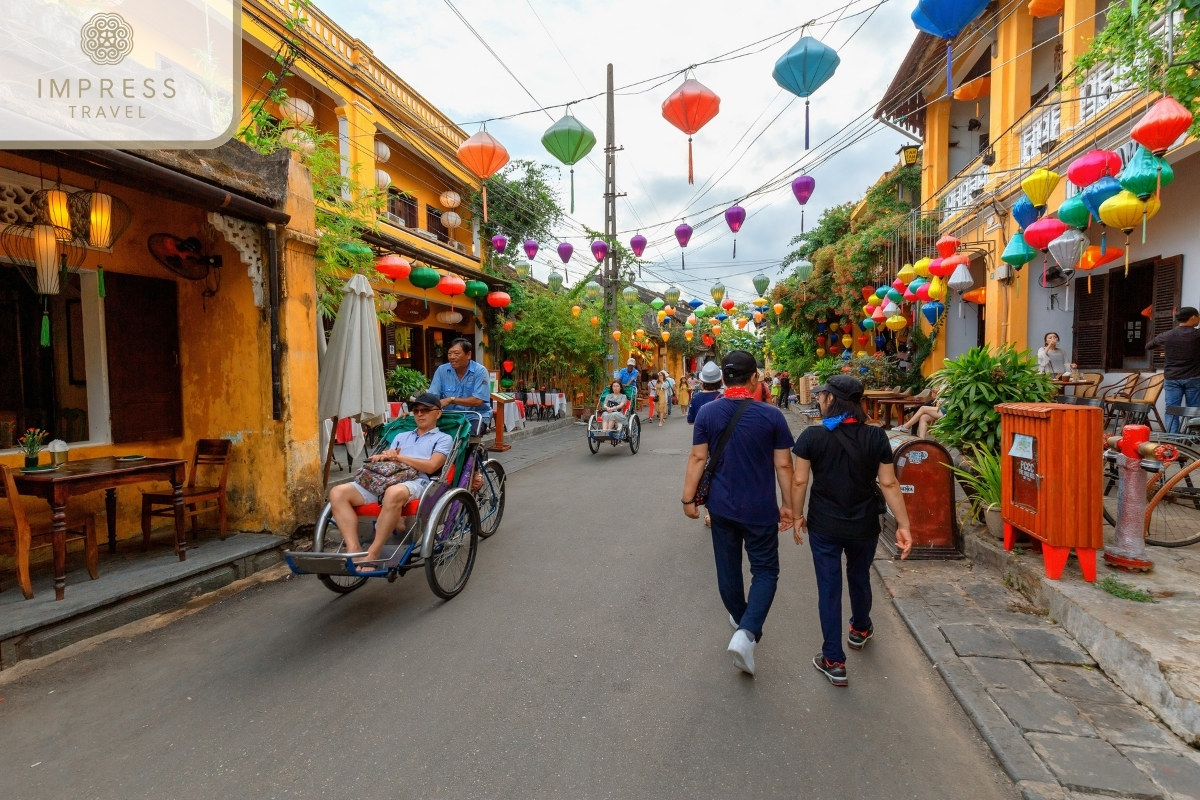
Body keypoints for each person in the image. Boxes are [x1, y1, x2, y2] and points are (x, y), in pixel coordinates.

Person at [790, 375, 912, 687]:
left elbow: (800, 481)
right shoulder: (876, 437)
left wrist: (797, 515)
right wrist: (904, 525)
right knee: (859, 575)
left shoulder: (811, 438)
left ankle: (833, 660)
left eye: (822, 395)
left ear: (832, 400)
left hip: (824, 525)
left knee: (829, 587)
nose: (818, 398)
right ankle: (860, 628)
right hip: (864, 524)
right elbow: (888, 483)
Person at [682, 350, 795, 677]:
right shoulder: (772, 416)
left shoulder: (708, 414)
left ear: (723, 379)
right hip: (760, 509)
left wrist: (687, 500)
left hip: (721, 507)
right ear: (755, 377)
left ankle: (742, 620)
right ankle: (747, 632)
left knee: (727, 567)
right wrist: (789, 505)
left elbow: (696, 459)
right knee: (765, 571)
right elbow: (783, 464)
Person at [327, 393, 453, 563]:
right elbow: (390, 461)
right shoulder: (401, 437)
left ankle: (374, 551)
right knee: (337, 492)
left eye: (425, 410)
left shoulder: (443, 438)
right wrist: (383, 456)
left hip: (417, 481)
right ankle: (354, 548)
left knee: (393, 493)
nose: (420, 414)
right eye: (416, 411)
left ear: (438, 413)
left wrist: (399, 457)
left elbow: (431, 466)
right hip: (387, 479)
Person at [1148, 307, 1200, 433]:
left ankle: (1173, 439)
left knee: (1171, 409)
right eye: (1198, 316)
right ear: (1192, 317)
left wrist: (1168, 348)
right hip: (1194, 377)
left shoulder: (1167, 335)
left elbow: (1149, 346)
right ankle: (1193, 437)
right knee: (1194, 408)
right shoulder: (1197, 335)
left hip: (1172, 378)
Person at [428, 338, 492, 434]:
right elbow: (432, 397)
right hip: (449, 417)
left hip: (474, 416)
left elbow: (478, 401)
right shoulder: (442, 370)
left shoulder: (480, 371)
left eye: (456, 354)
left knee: (466, 437)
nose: (452, 357)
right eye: (450, 354)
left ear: (468, 355)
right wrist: (415, 411)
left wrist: (451, 399)